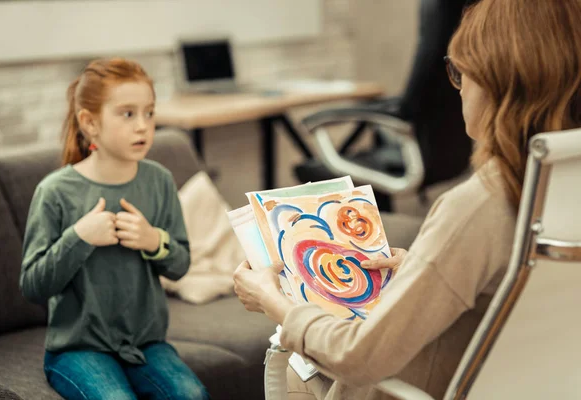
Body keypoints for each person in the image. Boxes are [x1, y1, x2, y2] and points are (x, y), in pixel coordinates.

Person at [233, 0, 581, 398]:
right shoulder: (560, 182)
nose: (460, 87)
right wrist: (422, 269)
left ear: (498, 80)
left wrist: (273, 300)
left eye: (459, 71)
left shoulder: (479, 205)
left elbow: (358, 357)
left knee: (296, 368)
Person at [19, 58, 209, 400]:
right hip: (76, 349)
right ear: (90, 123)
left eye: (149, 113)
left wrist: (154, 241)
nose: (143, 126)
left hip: (147, 344)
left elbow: (180, 265)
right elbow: (33, 285)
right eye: (127, 114)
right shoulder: (55, 192)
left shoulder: (159, 181)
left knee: (191, 394)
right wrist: (78, 238)